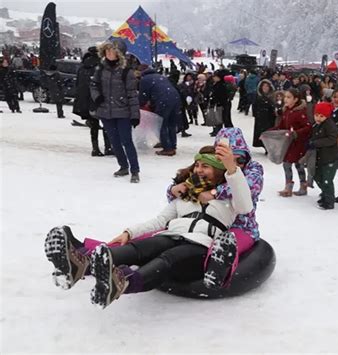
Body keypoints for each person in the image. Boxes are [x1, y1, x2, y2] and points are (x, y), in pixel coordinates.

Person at [44, 144, 253, 308]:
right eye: (197, 165)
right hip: (171, 235)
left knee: (169, 258)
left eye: (205, 166)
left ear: (218, 171)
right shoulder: (183, 199)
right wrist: (129, 232)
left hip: (198, 246)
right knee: (141, 248)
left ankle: (125, 283)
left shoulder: (228, 201)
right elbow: (159, 221)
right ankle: (81, 265)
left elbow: (245, 205)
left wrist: (232, 169)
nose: (198, 170)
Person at [167, 128, 264, 283]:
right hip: (209, 224)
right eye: (228, 159)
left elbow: (250, 187)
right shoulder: (213, 170)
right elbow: (185, 186)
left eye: (239, 159)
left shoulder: (252, 169)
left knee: (224, 246)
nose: (234, 163)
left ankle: (215, 273)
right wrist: (173, 190)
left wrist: (214, 192)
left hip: (241, 226)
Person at [90, 40, 140, 183]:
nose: (109, 53)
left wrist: (135, 115)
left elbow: (132, 94)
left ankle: (135, 170)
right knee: (114, 142)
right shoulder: (100, 69)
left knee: (127, 141)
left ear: (119, 54)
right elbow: (93, 85)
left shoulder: (126, 71)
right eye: (107, 51)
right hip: (106, 112)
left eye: (112, 51)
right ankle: (123, 166)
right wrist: (97, 97)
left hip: (123, 112)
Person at [72, 47, 112, 157]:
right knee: (106, 124)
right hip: (98, 99)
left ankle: (95, 148)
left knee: (94, 126)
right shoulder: (101, 67)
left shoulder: (81, 67)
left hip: (86, 100)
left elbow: (78, 85)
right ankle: (108, 147)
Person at [273, 88, 312, 197]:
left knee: (296, 164)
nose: (286, 99)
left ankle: (301, 186)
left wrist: (296, 133)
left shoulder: (300, 113)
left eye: (289, 97)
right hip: (289, 143)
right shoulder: (286, 111)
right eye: (285, 97)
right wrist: (270, 132)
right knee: (288, 164)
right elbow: (281, 126)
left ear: (296, 99)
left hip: (298, 144)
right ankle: (289, 186)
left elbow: (308, 127)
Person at [309, 102, 338, 209]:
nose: (318, 118)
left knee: (327, 179)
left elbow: (332, 139)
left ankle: (329, 200)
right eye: (316, 115)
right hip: (320, 157)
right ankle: (325, 194)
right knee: (318, 177)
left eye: (321, 116)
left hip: (331, 158)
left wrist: (316, 143)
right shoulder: (316, 125)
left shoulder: (329, 125)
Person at [252, 79, 276, 153]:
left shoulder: (272, 96)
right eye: (264, 86)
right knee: (261, 133)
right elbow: (254, 105)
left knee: (268, 133)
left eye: (267, 86)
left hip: (270, 118)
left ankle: (268, 147)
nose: (265, 87)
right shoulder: (258, 96)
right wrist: (256, 114)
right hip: (260, 117)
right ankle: (264, 146)